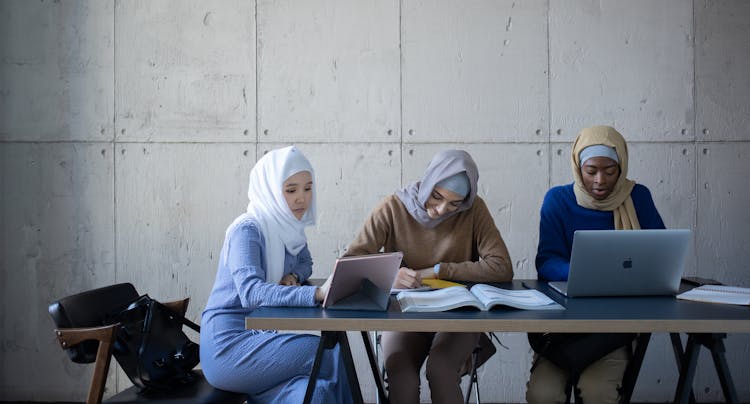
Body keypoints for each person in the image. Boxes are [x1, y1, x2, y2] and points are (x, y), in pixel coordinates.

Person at [344, 149, 513, 404]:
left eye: (455, 204)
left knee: (441, 370)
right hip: (404, 315)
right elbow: (350, 266)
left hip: (458, 315)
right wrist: (389, 277)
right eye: (436, 196)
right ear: (428, 181)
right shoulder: (393, 207)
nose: (442, 209)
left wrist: (438, 270)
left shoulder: (474, 209)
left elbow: (501, 267)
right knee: (403, 378)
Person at [200, 146, 352, 403]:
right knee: (328, 356)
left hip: (262, 339)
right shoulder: (247, 230)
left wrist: (293, 276)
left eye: (308, 188)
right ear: (270, 189)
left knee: (317, 393)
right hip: (228, 346)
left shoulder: (288, 228)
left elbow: (306, 262)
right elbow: (252, 293)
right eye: (291, 190)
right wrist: (316, 293)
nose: (302, 199)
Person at [526, 125, 666, 404]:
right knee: (542, 395)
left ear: (621, 167)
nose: (600, 180)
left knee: (597, 393)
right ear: (578, 167)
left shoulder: (638, 197)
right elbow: (546, 261)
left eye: (610, 171)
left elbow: (660, 255)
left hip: (615, 326)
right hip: (563, 325)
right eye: (591, 171)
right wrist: (586, 273)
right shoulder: (558, 200)